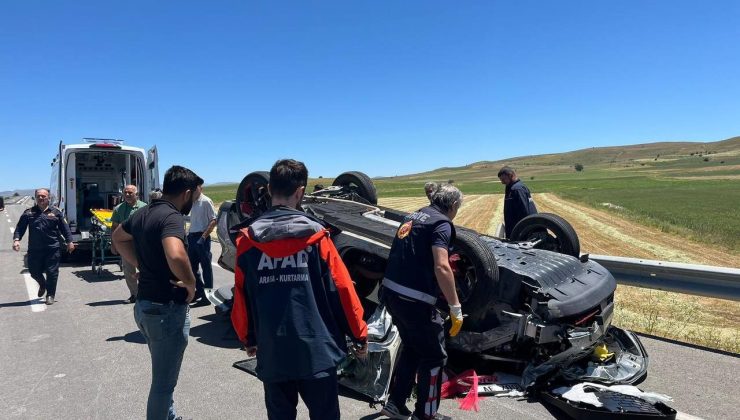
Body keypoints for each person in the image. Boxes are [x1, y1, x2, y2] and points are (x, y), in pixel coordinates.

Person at [231, 158, 368, 420]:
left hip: (273, 350)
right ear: (300, 192)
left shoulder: (247, 241)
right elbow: (342, 290)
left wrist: (248, 337)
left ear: (270, 189)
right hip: (317, 352)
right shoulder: (318, 237)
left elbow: (241, 295)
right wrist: (359, 335)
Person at [112, 166, 199, 420]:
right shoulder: (172, 217)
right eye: (194, 195)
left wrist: (140, 263)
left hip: (145, 307)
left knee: (163, 376)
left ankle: (168, 416)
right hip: (165, 310)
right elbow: (175, 253)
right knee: (162, 385)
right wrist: (190, 282)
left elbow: (118, 238)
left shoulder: (142, 213)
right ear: (186, 193)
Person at [380, 183, 464, 420]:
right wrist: (455, 307)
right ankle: (426, 415)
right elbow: (442, 265)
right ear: (454, 205)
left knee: (413, 348)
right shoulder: (441, 224)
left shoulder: (414, 215)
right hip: (414, 300)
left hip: (391, 293)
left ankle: (395, 403)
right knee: (435, 357)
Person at [12, 188, 76, 305]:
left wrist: (69, 241)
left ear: (49, 198)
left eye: (43, 196)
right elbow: (20, 228)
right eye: (39, 196)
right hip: (35, 249)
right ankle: (42, 284)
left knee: (52, 272)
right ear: (35, 198)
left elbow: (65, 228)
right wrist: (16, 240)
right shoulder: (29, 212)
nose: (41, 198)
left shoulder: (56, 212)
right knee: (33, 271)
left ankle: (50, 295)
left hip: (52, 248)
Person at [110, 184, 147, 303]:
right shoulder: (118, 209)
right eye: (125, 192)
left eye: (130, 193)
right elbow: (114, 227)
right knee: (128, 270)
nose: (127, 195)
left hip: (142, 244)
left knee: (146, 269)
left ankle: (147, 293)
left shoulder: (145, 207)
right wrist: (114, 243)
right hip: (125, 245)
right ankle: (134, 295)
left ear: (136, 194)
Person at [186, 179, 217, 306]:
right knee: (192, 268)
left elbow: (214, 220)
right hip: (192, 237)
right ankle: (199, 291)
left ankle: (208, 297)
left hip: (202, 238)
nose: (194, 190)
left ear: (201, 188)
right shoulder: (192, 202)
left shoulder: (206, 201)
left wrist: (203, 237)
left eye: (196, 187)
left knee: (206, 269)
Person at [497, 166, 538, 238]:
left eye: (503, 179)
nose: (502, 182)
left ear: (510, 175)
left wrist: (523, 233)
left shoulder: (517, 189)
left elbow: (525, 212)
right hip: (517, 230)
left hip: (521, 232)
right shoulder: (513, 187)